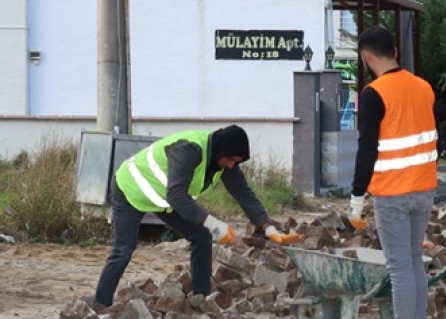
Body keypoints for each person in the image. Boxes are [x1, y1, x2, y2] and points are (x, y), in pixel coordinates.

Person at [94, 125, 300, 307]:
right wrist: (214, 223)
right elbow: (176, 195)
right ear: (221, 150)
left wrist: (268, 228)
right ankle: (100, 306)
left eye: (236, 162)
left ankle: (201, 299)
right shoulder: (189, 150)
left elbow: (244, 194)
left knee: (201, 236)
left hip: (161, 197)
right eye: (230, 160)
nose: (231, 165)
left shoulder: (224, 162)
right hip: (130, 188)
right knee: (124, 248)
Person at [346, 25, 439, 319]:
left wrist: (357, 199)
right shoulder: (423, 87)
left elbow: (366, 148)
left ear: (366, 57)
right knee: (414, 262)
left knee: (399, 266)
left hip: (392, 193)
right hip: (423, 188)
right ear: (396, 53)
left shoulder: (374, 94)